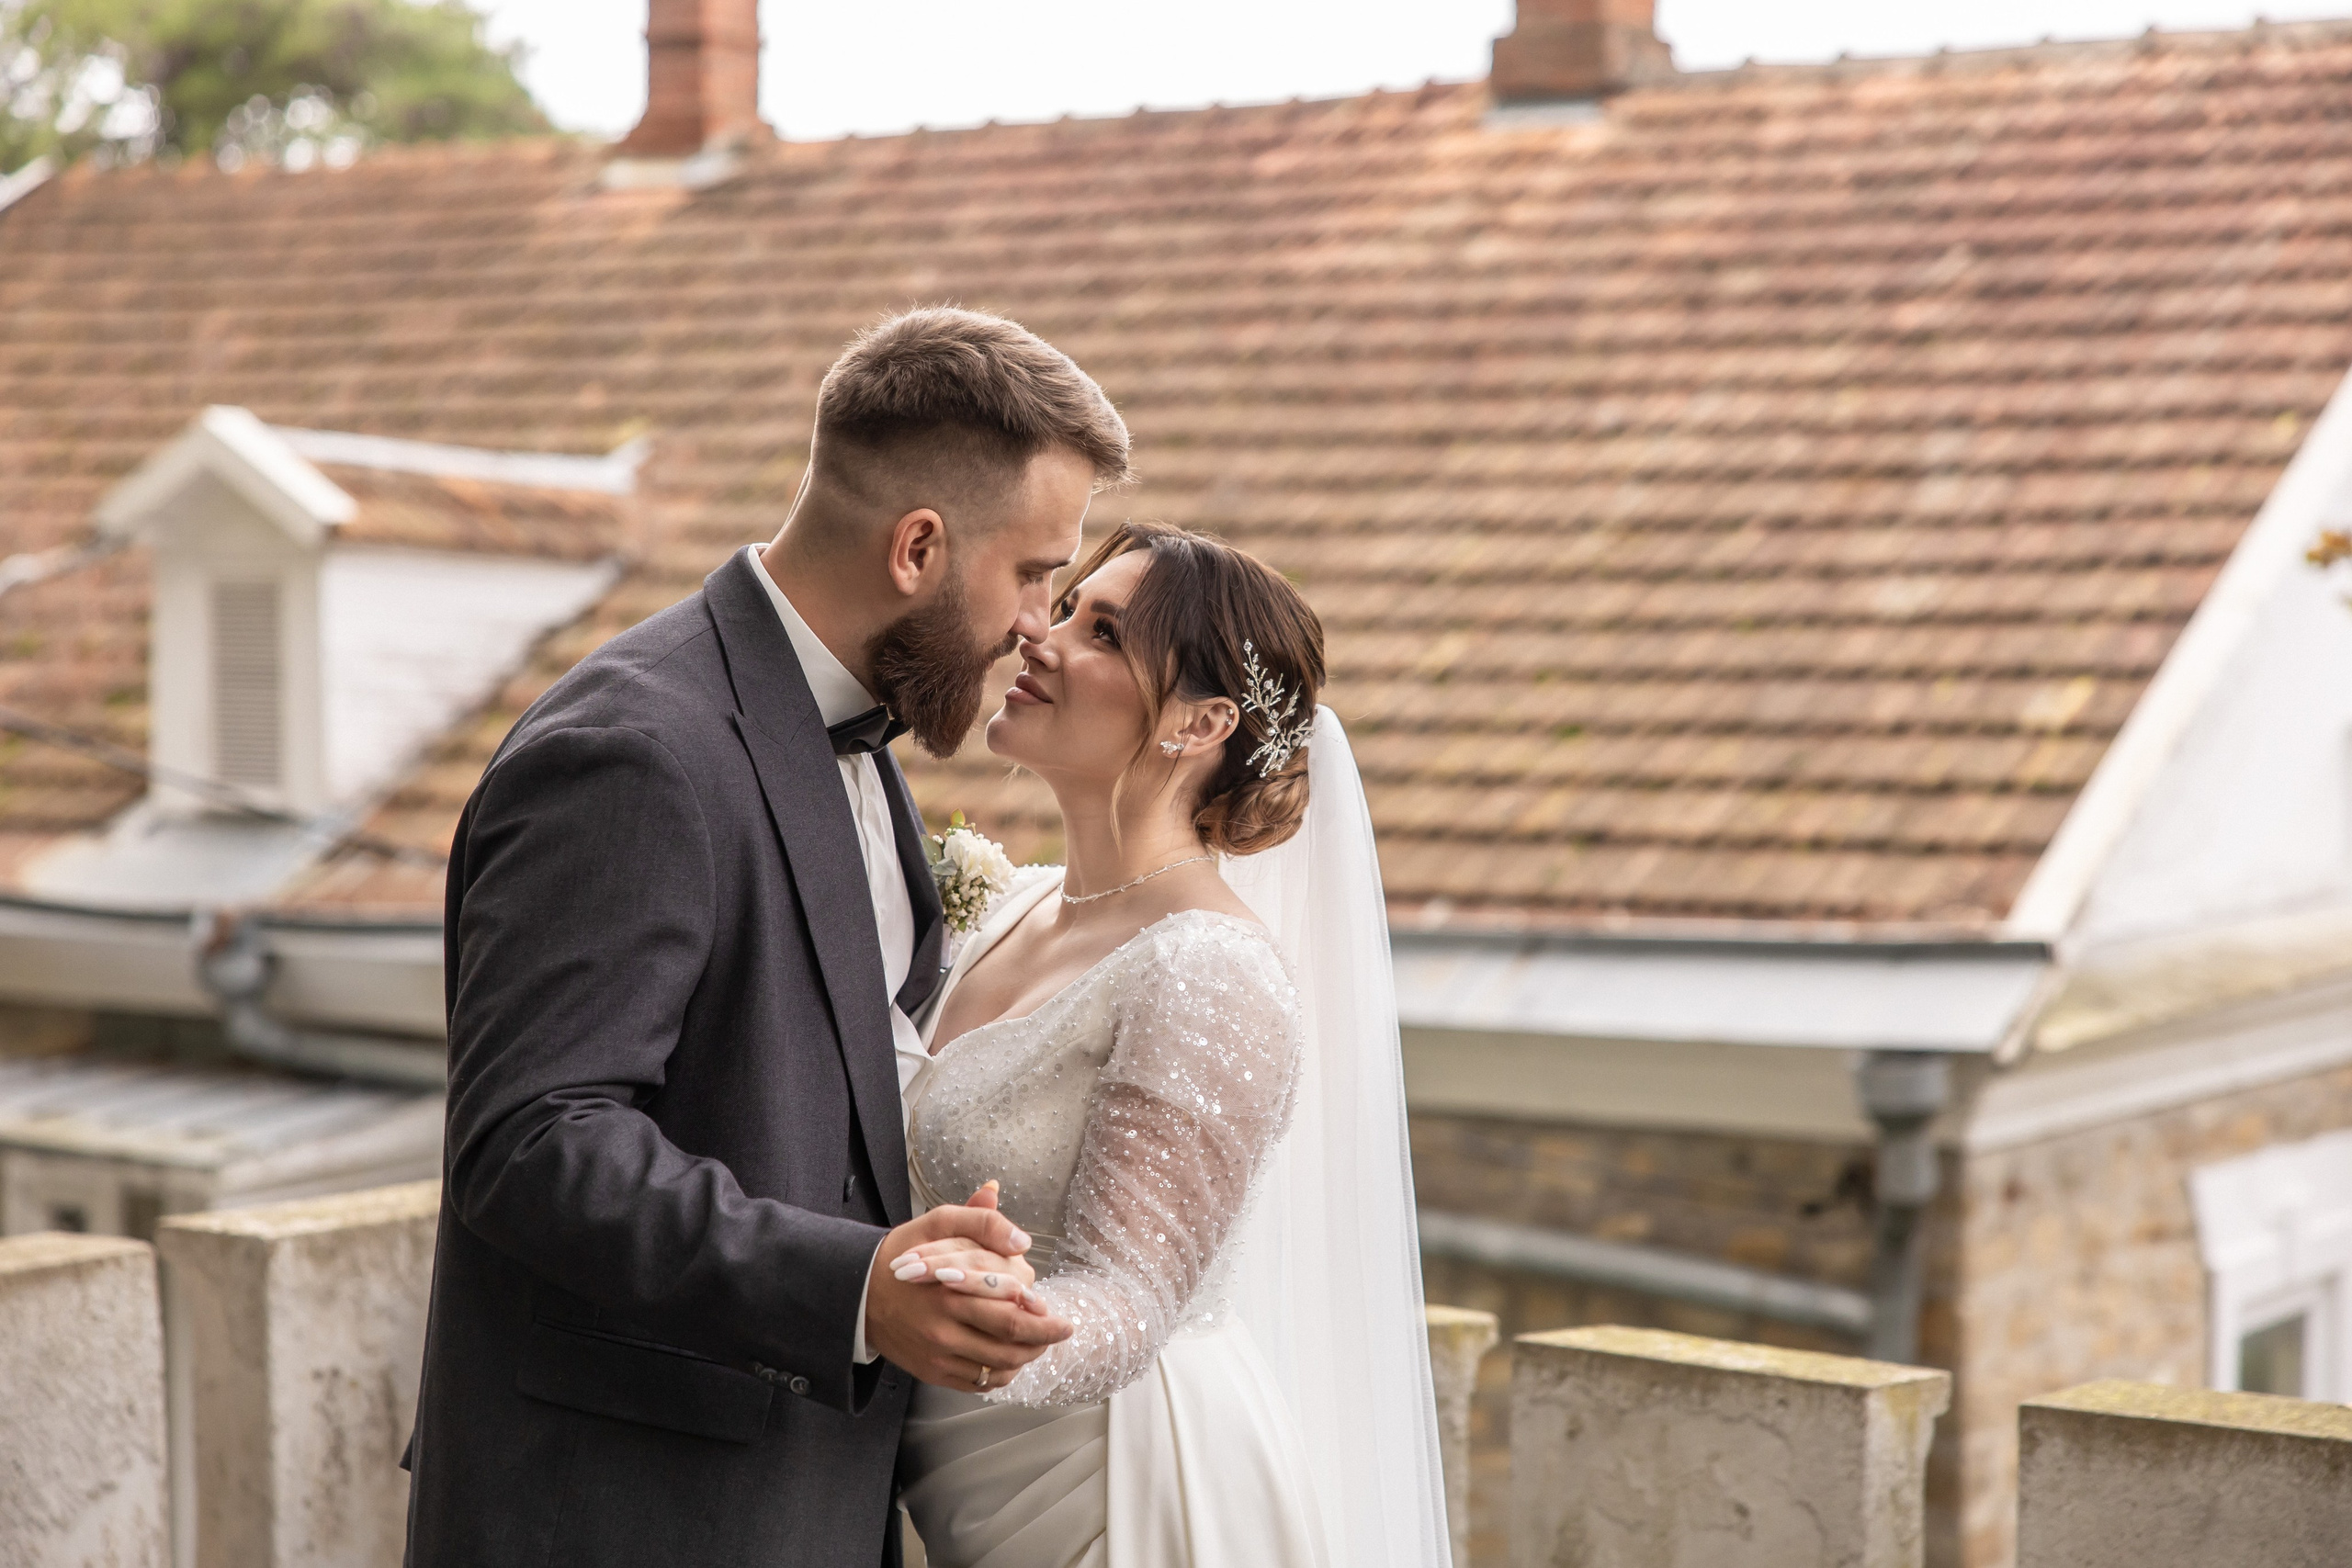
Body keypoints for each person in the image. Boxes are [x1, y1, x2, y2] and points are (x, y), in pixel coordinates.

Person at [402, 307, 1131, 1566]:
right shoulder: (633, 749)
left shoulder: (858, 740)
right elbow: (534, 1143)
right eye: (1033, 574)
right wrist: (854, 1289)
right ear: (918, 547)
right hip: (624, 1516)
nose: (1039, 624)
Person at [890, 521, 1453, 1567]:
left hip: (1107, 1486)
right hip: (928, 1471)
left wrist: (974, 1319)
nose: (1038, 638)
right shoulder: (997, 910)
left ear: (1199, 723)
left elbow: (1129, 1300)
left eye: (1099, 631)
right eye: (1060, 609)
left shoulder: (1207, 970)